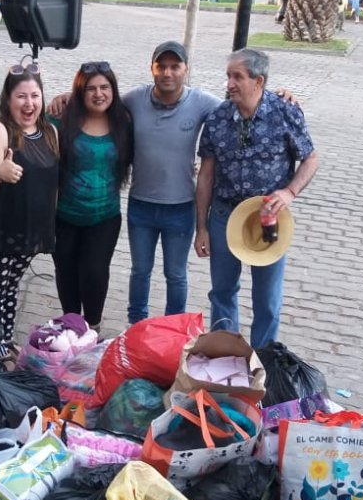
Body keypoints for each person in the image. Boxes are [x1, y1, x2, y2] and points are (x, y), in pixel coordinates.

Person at [47, 41, 295, 326]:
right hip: (141, 206)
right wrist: (70, 96)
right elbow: (102, 100)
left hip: (181, 207)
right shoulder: (134, 100)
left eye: (174, 66)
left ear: (185, 69)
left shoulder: (202, 102)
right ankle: (136, 326)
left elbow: (240, 104)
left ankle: (173, 328)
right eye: (161, 66)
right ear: (152, 68)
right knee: (140, 271)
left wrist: (276, 96)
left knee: (176, 275)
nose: (167, 72)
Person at [194, 49, 319, 347]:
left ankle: (264, 359)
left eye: (237, 77)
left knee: (267, 299)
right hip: (225, 214)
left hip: (268, 218)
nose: (229, 84)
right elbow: (206, 175)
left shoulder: (285, 112)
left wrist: (290, 192)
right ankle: (227, 356)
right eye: (228, 76)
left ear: (258, 81)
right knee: (222, 293)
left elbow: (311, 158)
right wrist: (202, 227)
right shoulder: (218, 117)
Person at [0, 63, 60, 357]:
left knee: (10, 290)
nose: (29, 103)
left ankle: (6, 342)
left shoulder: (49, 132)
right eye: (21, 96)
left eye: (35, 95)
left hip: (28, 235)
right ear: (7, 99)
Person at [52, 61, 133, 334]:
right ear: (80, 92)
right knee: (66, 271)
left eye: (105, 87)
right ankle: (71, 326)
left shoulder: (124, 121)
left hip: (104, 216)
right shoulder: (62, 118)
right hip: (63, 215)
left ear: (113, 90)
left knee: (95, 271)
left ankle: (93, 327)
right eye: (91, 89)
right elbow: (28, 131)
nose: (99, 94)